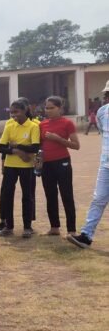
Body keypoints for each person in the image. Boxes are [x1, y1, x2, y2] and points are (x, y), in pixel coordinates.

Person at [68, 82, 109, 248]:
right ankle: (86, 235)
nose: (106, 97)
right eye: (107, 94)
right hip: (106, 164)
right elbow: (102, 132)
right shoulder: (102, 112)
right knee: (98, 199)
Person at [0, 99, 40, 238]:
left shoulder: (33, 126)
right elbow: (1, 147)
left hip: (27, 166)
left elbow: (35, 147)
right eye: (11, 112)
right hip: (10, 166)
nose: (14, 115)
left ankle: (27, 227)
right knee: (7, 195)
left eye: (16, 111)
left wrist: (16, 146)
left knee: (27, 196)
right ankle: (9, 226)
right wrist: (17, 151)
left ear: (25, 110)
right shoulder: (10, 126)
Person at [39, 96, 80, 236]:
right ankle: (54, 227)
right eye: (46, 108)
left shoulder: (67, 123)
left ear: (60, 108)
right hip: (46, 165)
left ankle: (71, 230)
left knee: (66, 194)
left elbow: (76, 145)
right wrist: (38, 162)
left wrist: (58, 139)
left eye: (52, 108)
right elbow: (39, 146)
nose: (48, 110)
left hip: (62, 162)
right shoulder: (42, 124)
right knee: (50, 195)